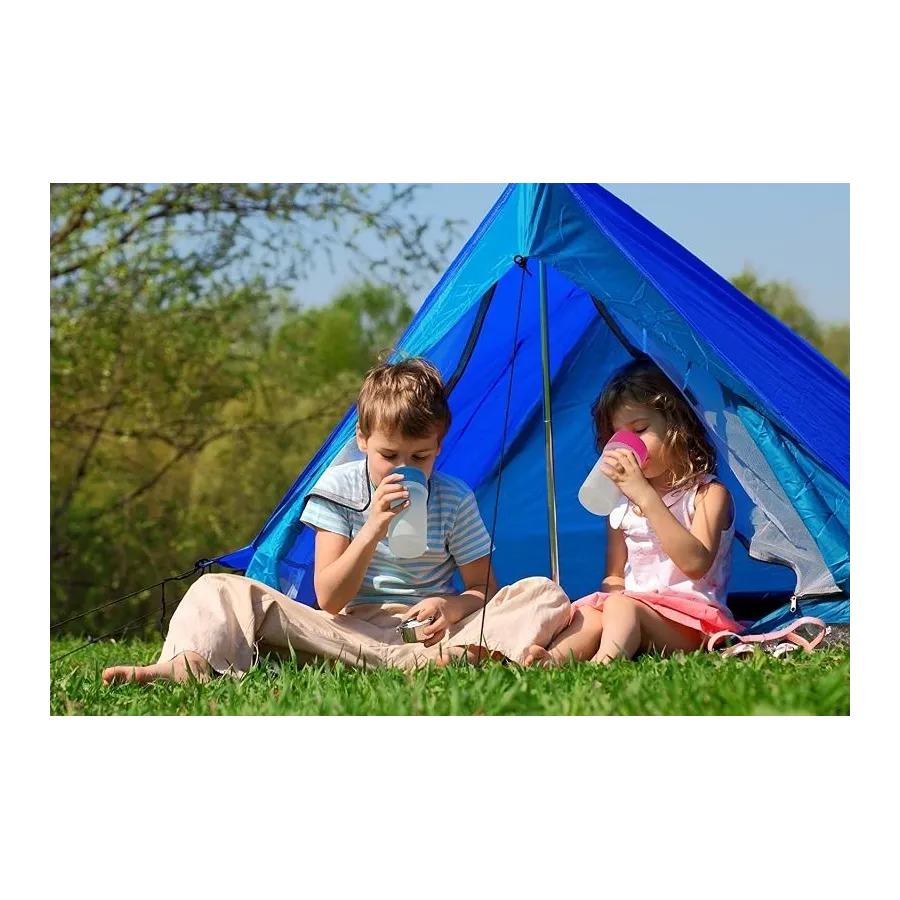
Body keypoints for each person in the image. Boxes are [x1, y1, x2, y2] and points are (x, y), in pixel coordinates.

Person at [102, 357, 570, 684]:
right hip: (350, 630)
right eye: (389, 455)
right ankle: (189, 663)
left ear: (438, 448)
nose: (403, 467)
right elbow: (329, 598)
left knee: (542, 592)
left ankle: (440, 658)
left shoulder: (453, 497)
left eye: (420, 457)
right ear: (362, 440)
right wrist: (372, 528)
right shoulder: (341, 488)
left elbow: (483, 589)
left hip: (431, 636)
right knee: (217, 588)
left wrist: (449, 606)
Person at [525, 358, 744, 668]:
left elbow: (695, 564)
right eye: (618, 437)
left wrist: (645, 496)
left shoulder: (707, 494)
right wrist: (609, 600)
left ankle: (603, 665)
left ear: (679, 426)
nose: (628, 445)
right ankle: (552, 660)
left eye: (640, 430)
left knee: (622, 607)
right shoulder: (622, 505)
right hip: (636, 609)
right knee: (593, 612)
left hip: (692, 622)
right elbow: (614, 574)